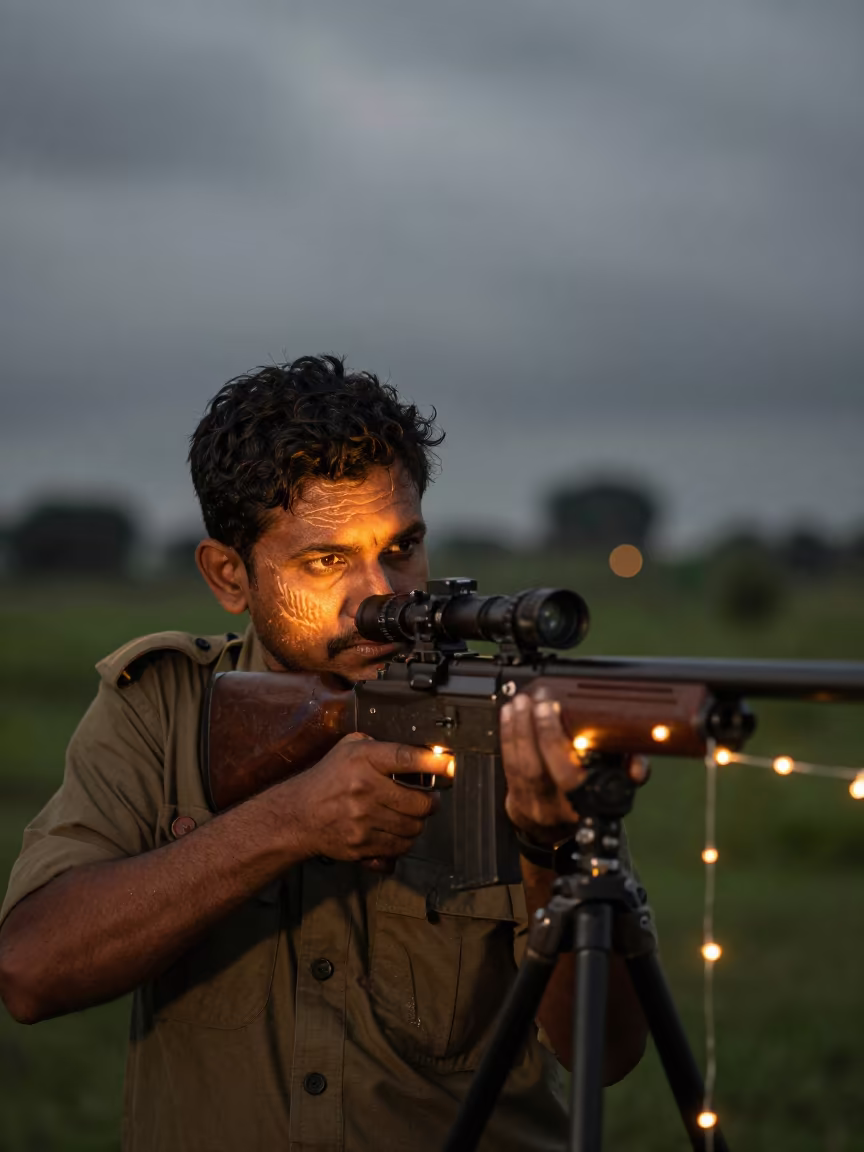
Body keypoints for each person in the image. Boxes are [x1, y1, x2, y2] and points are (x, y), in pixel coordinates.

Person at [0, 355, 652, 1152]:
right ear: (229, 575)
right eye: (326, 560)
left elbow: (608, 1053)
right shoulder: (161, 706)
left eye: (402, 548)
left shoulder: (495, 712)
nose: (381, 595)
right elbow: (30, 970)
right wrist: (287, 825)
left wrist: (553, 850)